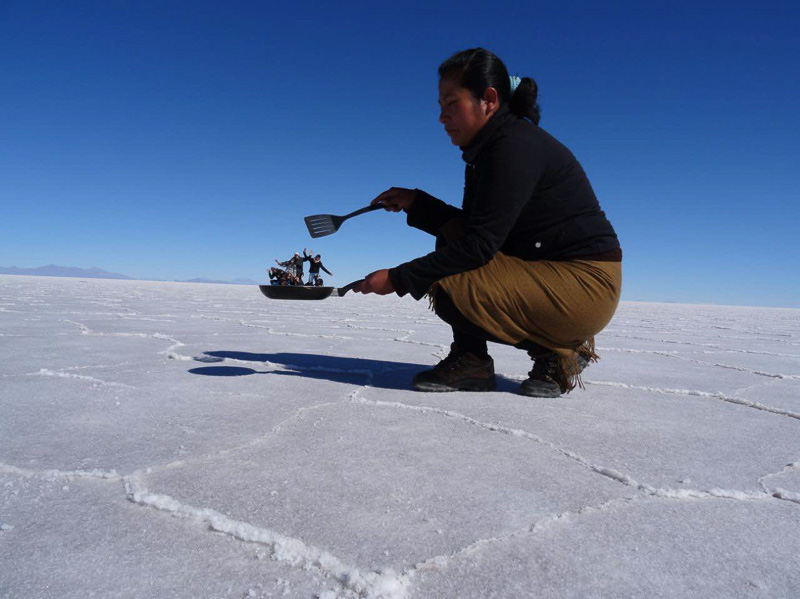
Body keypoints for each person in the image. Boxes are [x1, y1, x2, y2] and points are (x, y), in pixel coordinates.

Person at [353, 48, 622, 397]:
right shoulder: (489, 150)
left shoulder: (513, 147)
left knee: (451, 276)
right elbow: (476, 228)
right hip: (550, 273)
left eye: (451, 103)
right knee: (451, 240)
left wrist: (397, 278)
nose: (442, 117)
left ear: (489, 99)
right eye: (440, 106)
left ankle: (558, 353)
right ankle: (477, 359)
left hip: (586, 285)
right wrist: (416, 202)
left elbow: (478, 246)